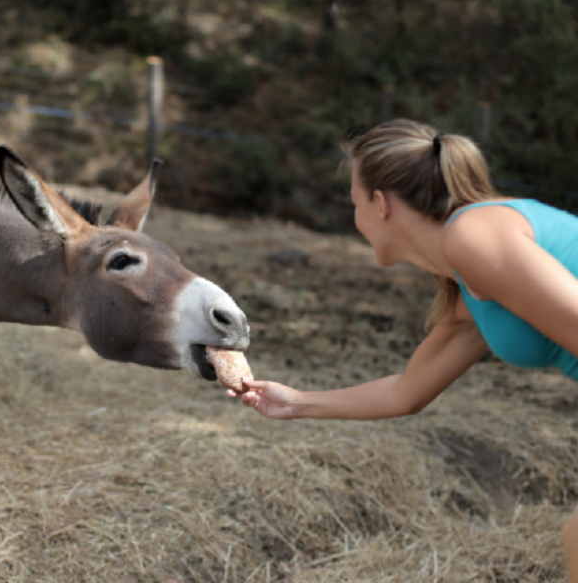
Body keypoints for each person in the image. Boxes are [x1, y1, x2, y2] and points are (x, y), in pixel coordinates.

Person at [230, 118, 578, 580]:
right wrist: (295, 403)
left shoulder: (476, 237)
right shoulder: (469, 288)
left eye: (353, 203)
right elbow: (406, 393)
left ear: (380, 204)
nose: (354, 219)